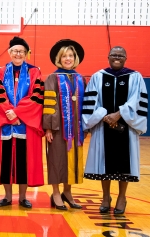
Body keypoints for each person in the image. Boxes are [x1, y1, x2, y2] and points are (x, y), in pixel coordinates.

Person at [82, 46, 147, 215]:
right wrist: (104, 116)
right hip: (103, 127)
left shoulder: (135, 77)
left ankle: (122, 197)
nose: (117, 57)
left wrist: (119, 114)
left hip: (126, 127)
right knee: (104, 163)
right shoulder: (98, 76)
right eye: (113, 55)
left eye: (120, 55)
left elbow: (138, 100)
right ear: (108, 57)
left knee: (124, 165)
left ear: (126, 58)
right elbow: (92, 101)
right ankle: (105, 197)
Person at [0, 37, 44, 208]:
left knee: (23, 162)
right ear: (9, 53)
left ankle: (23, 197)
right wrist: (9, 113)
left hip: (26, 124)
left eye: (22, 51)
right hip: (4, 123)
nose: (18, 54)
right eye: (15, 51)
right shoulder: (0, 73)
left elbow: (36, 96)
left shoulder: (34, 72)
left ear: (26, 54)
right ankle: (8, 196)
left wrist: (17, 113)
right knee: (6, 162)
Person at [43, 39, 86, 210]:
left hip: (76, 128)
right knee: (56, 159)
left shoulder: (80, 78)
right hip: (57, 128)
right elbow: (48, 104)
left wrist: (85, 125)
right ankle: (55, 193)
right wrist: (48, 128)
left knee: (74, 160)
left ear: (75, 58)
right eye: (64, 56)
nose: (67, 59)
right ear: (58, 59)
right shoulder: (53, 78)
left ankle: (68, 192)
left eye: (70, 55)